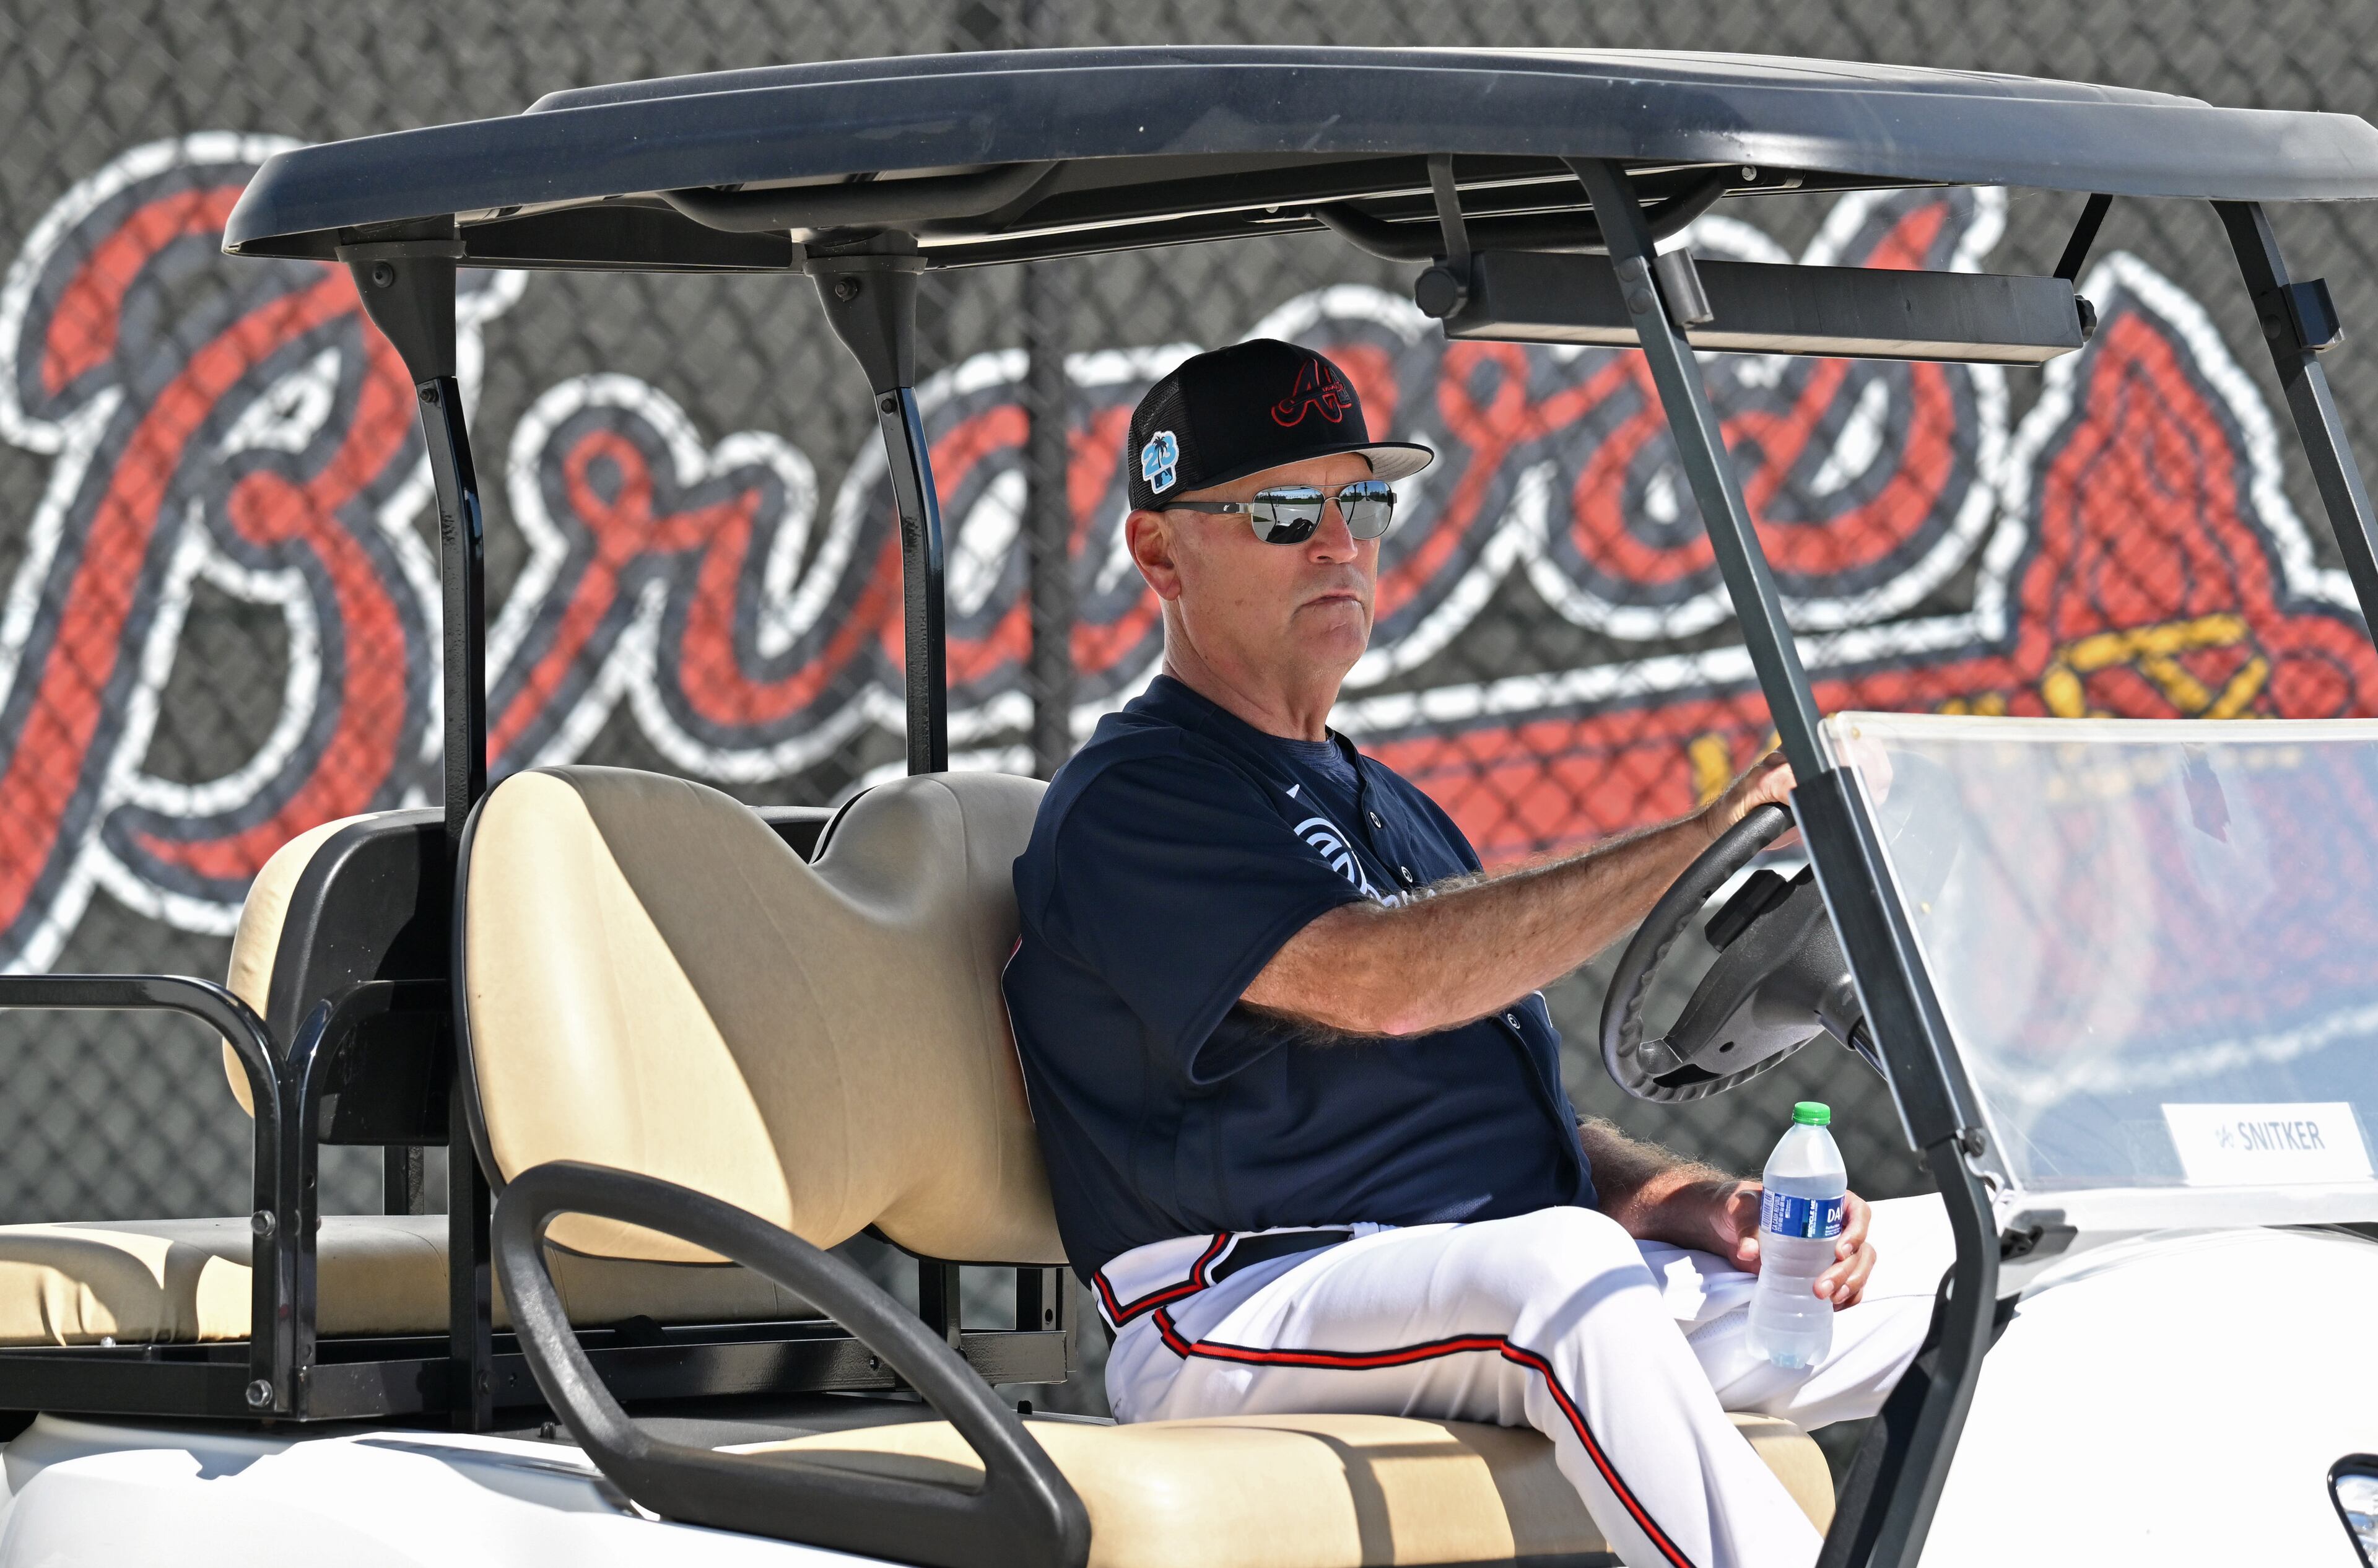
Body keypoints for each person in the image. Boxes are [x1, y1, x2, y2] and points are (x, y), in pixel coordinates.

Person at [1002, 339, 1947, 1568]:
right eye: (1288, 511)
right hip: (1233, 1303)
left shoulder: (1387, 801)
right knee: (1566, 1274)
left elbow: (1497, 1119)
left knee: (1974, 1263)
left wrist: (1684, 1202)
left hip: (1474, 1280)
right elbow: (1382, 988)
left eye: (1364, 500)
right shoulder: (1136, 797)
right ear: (1159, 552)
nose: (1342, 542)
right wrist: (1697, 840)